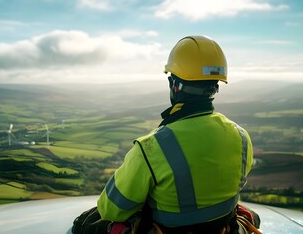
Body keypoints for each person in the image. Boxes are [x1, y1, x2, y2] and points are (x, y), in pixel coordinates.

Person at [72, 35, 261, 234]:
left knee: (88, 223)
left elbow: (111, 209)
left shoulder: (151, 148)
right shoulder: (241, 137)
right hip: (225, 228)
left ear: (175, 85)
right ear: (215, 86)